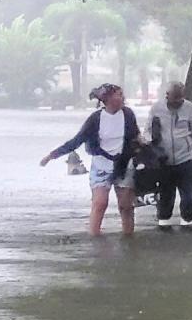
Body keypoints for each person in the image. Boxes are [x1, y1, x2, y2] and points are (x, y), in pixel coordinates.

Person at [40, 84, 140, 236]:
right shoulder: (95, 119)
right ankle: (94, 239)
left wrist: (144, 146)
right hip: (101, 165)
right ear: (106, 99)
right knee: (100, 203)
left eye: (122, 94)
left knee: (126, 206)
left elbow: (135, 135)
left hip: (124, 164)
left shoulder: (128, 114)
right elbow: (76, 141)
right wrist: (52, 155)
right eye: (118, 95)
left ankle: (129, 239)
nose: (122, 98)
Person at [148, 81, 192, 226]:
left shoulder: (189, 108)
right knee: (166, 195)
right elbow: (147, 131)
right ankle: (164, 220)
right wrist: (151, 145)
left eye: (179, 100)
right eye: (173, 100)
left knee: (188, 197)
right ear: (167, 96)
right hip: (164, 161)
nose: (176, 104)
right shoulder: (157, 108)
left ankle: (187, 221)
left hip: (185, 159)